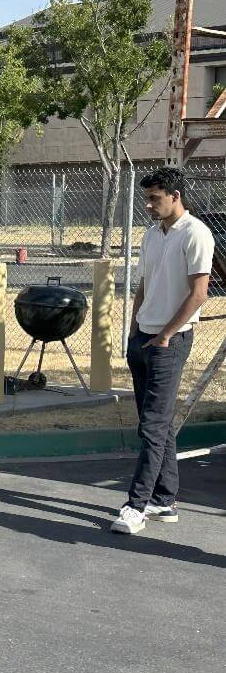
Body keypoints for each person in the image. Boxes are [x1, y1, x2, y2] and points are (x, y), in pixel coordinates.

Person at [112, 167, 214, 535]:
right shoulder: (152, 235)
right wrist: (136, 331)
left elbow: (199, 293)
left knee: (152, 427)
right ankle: (165, 500)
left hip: (171, 342)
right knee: (157, 424)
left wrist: (168, 334)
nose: (149, 206)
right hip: (144, 338)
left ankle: (135, 505)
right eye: (147, 199)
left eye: (155, 198)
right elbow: (144, 285)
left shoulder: (196, 233)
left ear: (175, 196)